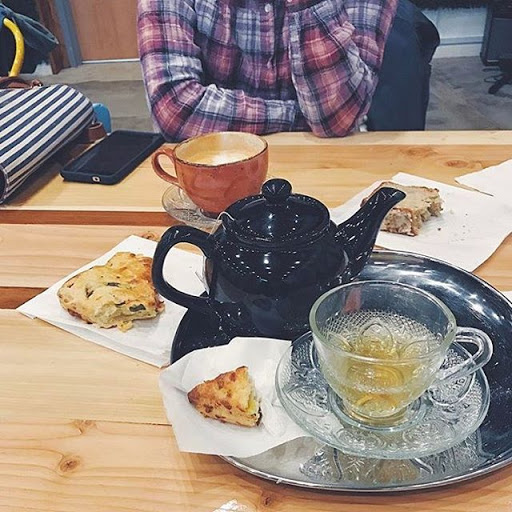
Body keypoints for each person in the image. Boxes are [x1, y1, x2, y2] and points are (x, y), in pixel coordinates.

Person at [137, 0, 439, 142]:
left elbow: (336, 118)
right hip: (212, 170)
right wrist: (299, 118)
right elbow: (177, 110)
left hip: (326, 167)